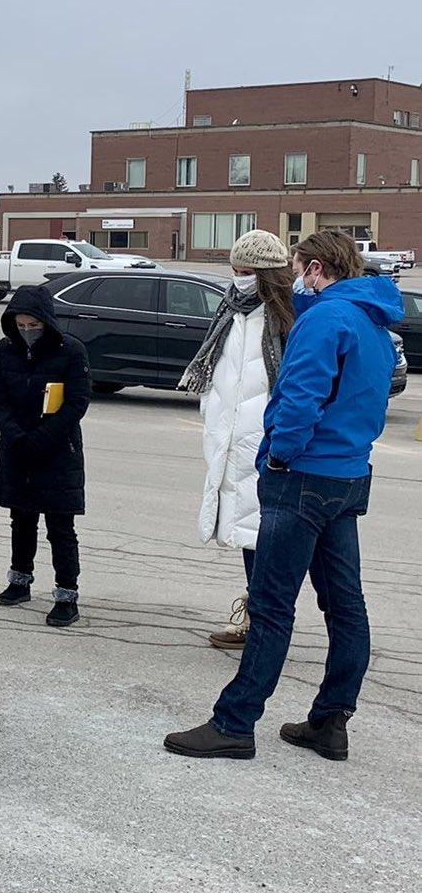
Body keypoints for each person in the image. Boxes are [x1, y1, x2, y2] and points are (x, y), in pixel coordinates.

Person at [165, 231, 405, 761]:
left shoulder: (325, 318)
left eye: (298, 267)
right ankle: (330, 720)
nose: (294, 277)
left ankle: (235, 722)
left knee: (272, 605)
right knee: (346, 605)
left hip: (302, 477)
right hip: (347, 476)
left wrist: (277, 455)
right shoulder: (373, 321)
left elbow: (299, 398)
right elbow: (374, 395)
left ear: (316, 268)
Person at [179, 229, 297, 649]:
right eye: (235, 269)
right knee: (249, 534)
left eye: (247, 271)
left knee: (266, 537)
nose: (239, 278)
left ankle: (265, 624)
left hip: (267, 443)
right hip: (230, 441)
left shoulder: (288, 316)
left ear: (269, 274)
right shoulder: (230, 310)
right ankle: (258, 618)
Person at [0, 285, 91, 626]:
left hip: (58, 451)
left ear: (46, 322)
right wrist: (16, 435)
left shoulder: (71, 350)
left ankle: (66, 594)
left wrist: (45, 437)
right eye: (22, 325)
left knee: (60, 526)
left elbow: (77, 402)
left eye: (34, 325)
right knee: (22, 519)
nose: (28, 331)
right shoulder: (5, 350)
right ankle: (20, 580)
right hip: (18, 449)